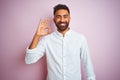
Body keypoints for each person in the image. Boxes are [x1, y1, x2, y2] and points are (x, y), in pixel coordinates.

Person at [25, 4, 96, 80]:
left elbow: (87, 64)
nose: (62, 20)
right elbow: (29, 60)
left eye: (65, 16)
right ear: (54, 19)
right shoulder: (47, 40)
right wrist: (37, 35)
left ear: (69, 18)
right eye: (58, 17)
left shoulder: (80, 38)